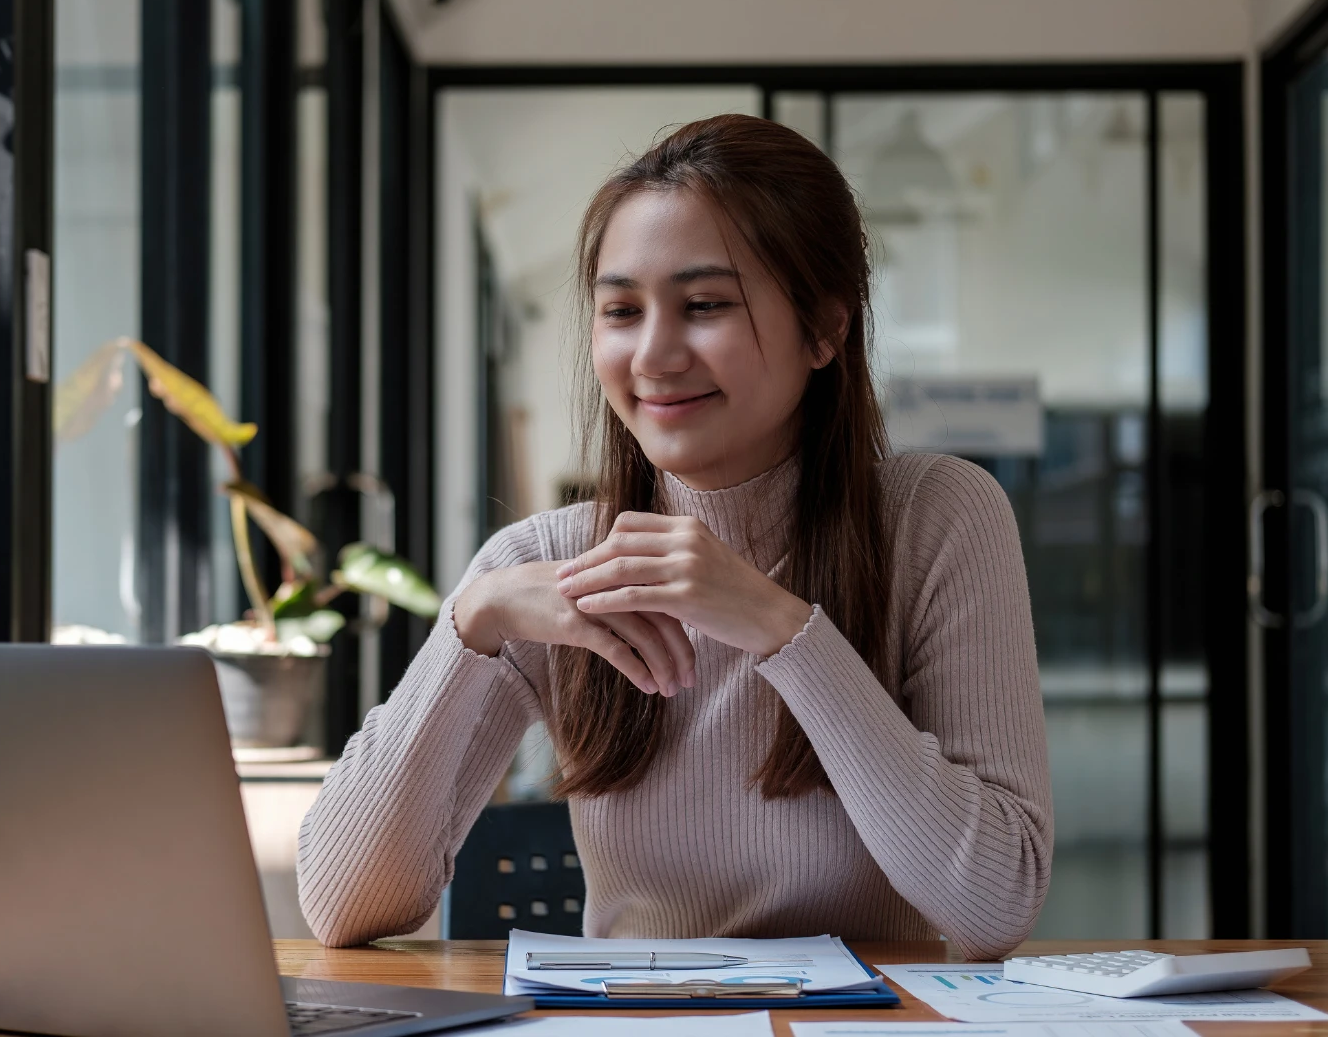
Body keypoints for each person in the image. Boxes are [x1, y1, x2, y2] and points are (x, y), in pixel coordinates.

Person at [297, 113, 1051, 960]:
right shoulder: (543, 566)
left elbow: (995, 904)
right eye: (621, 309)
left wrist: (781, 629)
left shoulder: (938, 517)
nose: (653, 355)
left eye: (703, 305)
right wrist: (471, 623)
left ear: (825, 329)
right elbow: (340, 904)